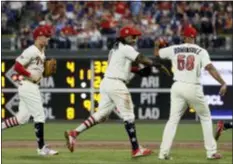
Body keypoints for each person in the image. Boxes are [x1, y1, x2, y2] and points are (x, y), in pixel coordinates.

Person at [64, 25, 163, 158]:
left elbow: (119, 66)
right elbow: (140, 58)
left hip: (106, 83)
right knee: (129, 115)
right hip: (117, 84)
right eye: (132, 36)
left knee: (101, 115)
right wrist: (153, 63)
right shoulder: (127, 48)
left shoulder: (114, 49)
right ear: (125, 37)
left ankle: (74, 133)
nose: (135, 38)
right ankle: (136, 149)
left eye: (136, 36)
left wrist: (137, 71)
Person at [154, 26, 227, 160]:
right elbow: (209, 67)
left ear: (184, 37)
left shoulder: (174, 48)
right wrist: (222, 82)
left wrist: (158, 44)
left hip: (177, 86)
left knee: (172, 120)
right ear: (194, 37)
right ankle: (211, 152)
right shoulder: (201, 51)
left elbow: (157, 53)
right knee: (205, 117)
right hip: (192, 86)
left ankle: (163, 153)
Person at [1, 26, 58, 156]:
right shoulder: (31, 50)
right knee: (40, 116)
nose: (48, 38)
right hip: (28, 85)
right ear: (39, 37)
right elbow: (17, 66)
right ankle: (41, 148)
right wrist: (30, 74)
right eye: (46, 36)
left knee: (22, 118)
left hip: (31, 85)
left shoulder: (42, 51)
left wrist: (43, 72)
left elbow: (37, 70)